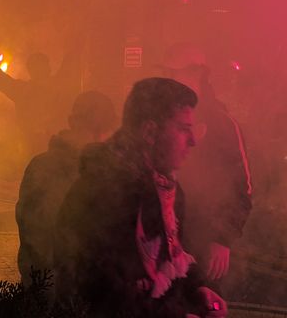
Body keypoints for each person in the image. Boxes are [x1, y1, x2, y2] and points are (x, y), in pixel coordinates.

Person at [54, 78, 226, 317]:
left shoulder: (167, 190)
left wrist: (198, 289)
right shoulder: (103, 192)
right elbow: (100, 290)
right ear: (149, 132)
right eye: (183, 128)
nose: (193, 141)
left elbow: (174, 256)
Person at [160, 44, 252, 285]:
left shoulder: (222, 125)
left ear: (197, 74)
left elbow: (242, 187)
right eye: (167, 73)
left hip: (202, 240)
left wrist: (222, 238)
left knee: (202, 299)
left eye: (174, 73)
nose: (168, 80)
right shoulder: (160, 118)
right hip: (163, 239)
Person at [15, 90, 116, 290]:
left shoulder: (93, 169)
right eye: (102, 131)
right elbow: (40, 240)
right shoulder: (47, 169)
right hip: (56, 291)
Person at [0, 48, 77, 160]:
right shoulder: (24, 91)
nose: (47, 68)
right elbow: (1, 79)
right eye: (42, 65)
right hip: (35, 148)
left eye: (45, 64)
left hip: (59, 148)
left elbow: (69, 64)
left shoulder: (57, 85)